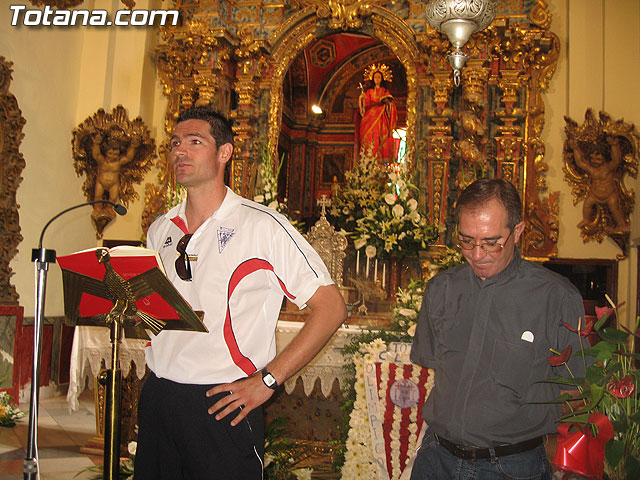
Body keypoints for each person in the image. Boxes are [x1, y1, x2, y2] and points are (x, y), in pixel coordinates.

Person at [135, 106, 347, 479]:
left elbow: (330, 307)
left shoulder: (263, 226)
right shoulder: (160, 228)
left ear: (224, 153)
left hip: (222, 401)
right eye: (175, 143)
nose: (179, 152)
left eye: (194, 142)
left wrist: (267, 380)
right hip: (160, 395)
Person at [410, 178, 586, 480]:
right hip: (436, 459)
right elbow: (435, 371)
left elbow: (577, 389)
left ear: (517, 231)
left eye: (491, 242)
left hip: (512, 466)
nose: (477, 254)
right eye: (466, 240)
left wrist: (572, 465)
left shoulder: (556, 297)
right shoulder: (441, 289)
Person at [568, 135, 629, 232]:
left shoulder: (608, 168)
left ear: (605, 158)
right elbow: (580, 162)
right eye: (592, 158)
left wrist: (614, 145)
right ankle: (586, 219)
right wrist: (575, 148)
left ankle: (621, 225)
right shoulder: (592, 170)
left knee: (615, 209)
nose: (594, 161)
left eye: (598, 159)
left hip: (610, 195)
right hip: (594, 195)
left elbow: (616, 160)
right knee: (587, 204)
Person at [358, 69, 398, 164]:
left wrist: (388, 103)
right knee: (370, 135)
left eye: (379, 77)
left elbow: (390, 103)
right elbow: (366, 104)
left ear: (382, 79)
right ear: (372, 79)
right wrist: (362, 98)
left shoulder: (385, 91)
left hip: (382, 116)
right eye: (375, 77)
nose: (377, 79)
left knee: (382, 135)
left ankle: (381, 160)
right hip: (370, 116)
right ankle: (370, 158)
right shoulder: (370, 91)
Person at [92, 132, 140, 207]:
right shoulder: (102, 161)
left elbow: (128, 158)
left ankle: (109, 209)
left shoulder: (118, 162)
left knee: (113, 199)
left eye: (115, 154)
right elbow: (96, 155)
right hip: (101, 182)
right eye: (110, 153)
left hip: (114, 184)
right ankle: (97, 209)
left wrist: (133, 147)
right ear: (106, 153)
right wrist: (96, 144)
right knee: (98, 197)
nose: (112, 156)